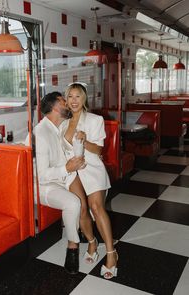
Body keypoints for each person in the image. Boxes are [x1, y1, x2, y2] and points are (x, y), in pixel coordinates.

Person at [61, 82, 118, 280]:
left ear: (84, 99)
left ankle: (111, 253)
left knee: (96, 207)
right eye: (70, 96)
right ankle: (92, 242)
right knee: (81, 209)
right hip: (73, 172)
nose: (74, 100)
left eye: (78, 96)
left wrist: (85, 141)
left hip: (92, 169)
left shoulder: (95, 120)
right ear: (66, 100)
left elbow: (99, 150)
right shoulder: (62, 122)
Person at [34, 91, 86, 275]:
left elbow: (71, 132)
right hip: (43, 185)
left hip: (61, 177)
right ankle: (73, 247)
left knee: (85, 192)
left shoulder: (58, 125)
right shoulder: (40, 133)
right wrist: (67, 168)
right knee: (73, 202)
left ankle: (84, 232)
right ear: (56, 107)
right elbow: (41, 175)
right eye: (64, 101)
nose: (68, 103)